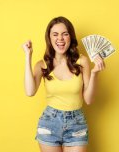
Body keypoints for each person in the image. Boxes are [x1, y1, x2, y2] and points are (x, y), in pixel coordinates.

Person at [22, 16, 105, 152]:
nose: (60, 39)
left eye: (64, 34)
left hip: (77, 123)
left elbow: (89, 100)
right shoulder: (42, 65)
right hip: (49, 123)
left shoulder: (82, 61)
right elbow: (30, 92)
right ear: (49, 38)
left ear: (70, 37)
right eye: (55, 34)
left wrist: (95, 73)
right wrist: (28, 56)